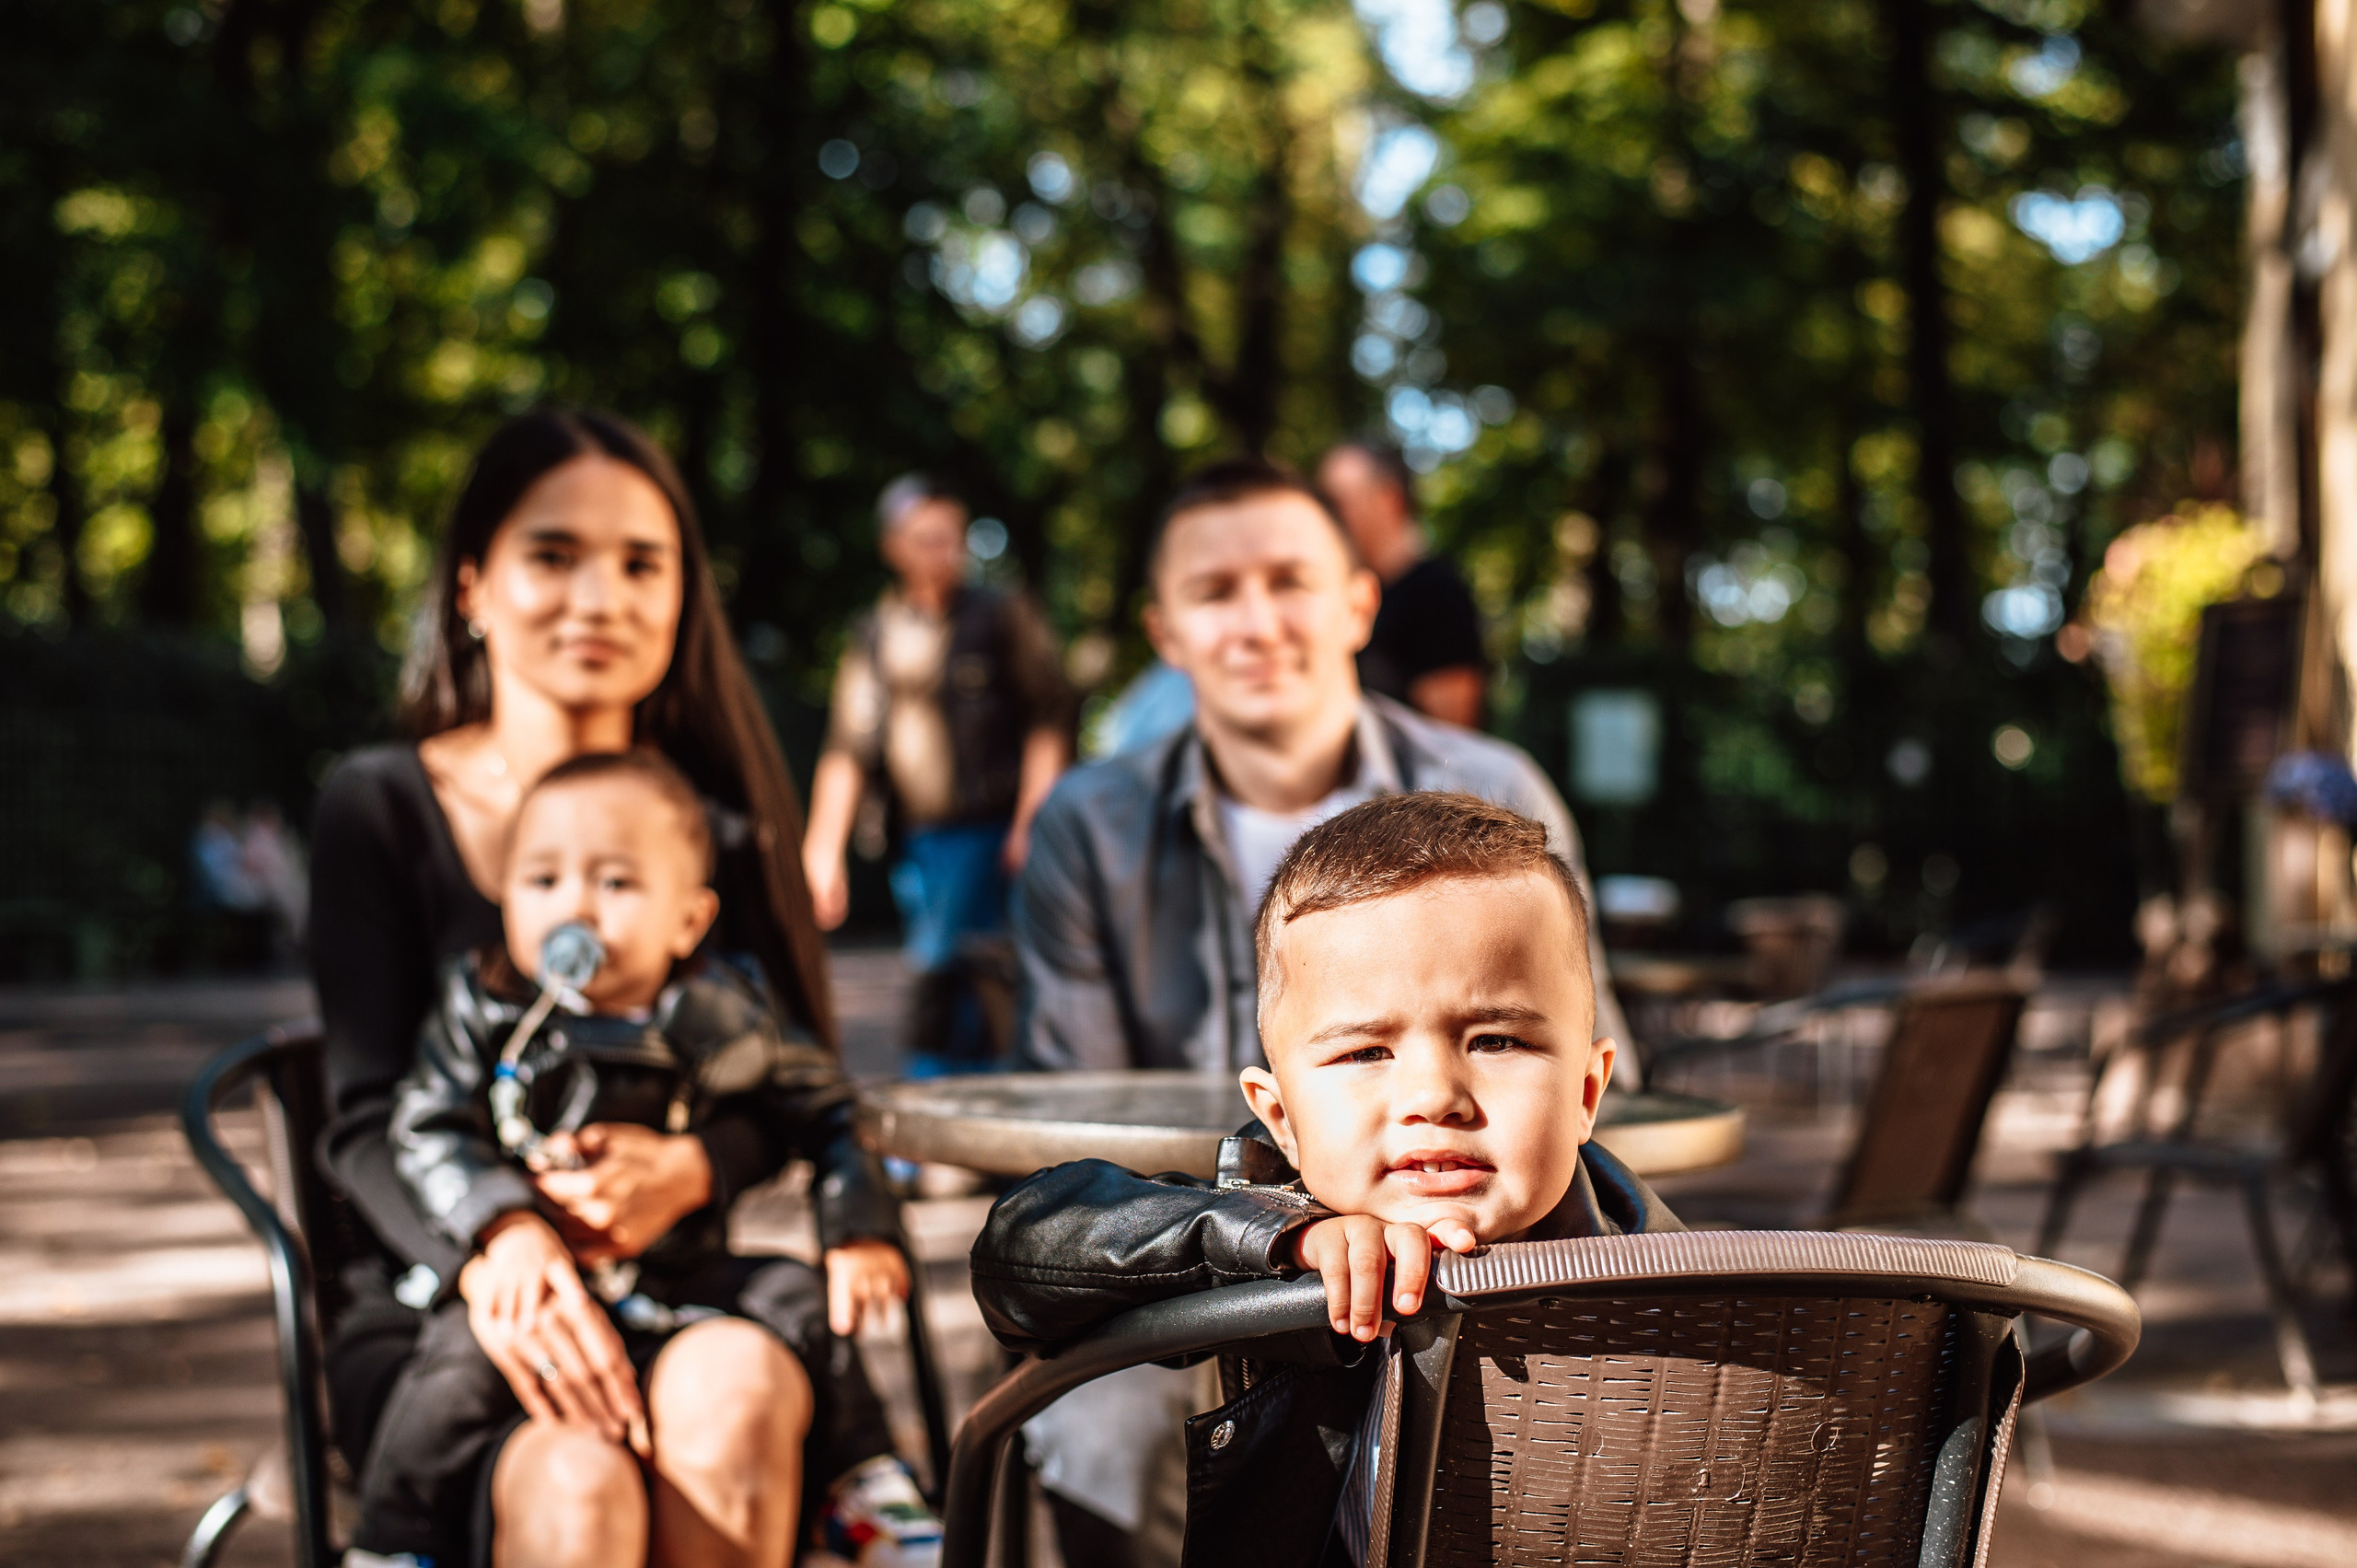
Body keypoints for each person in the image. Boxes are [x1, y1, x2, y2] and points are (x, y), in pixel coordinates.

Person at [309, 409, 928, 1568]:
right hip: (445, 1299)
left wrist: (698, 1166)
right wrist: (501, 1244)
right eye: (553, 555)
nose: (600, 596)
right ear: (473, 587)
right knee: (574, 1482)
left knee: (737, 1392)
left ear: (684, 598)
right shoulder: (378, 805)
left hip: (688, 1281)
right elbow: (362, 1122)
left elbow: (785, 1086)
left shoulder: (719, 827)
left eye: (642, 563)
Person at [1007, 457, 1628, 1567]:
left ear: (1356, 599)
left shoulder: (1497, 788)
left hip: (1491, 1240)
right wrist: (1281, 1217)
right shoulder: (1088, 822)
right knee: (1105, 1416)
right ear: (1167, 629)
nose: (1256, 621)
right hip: (1212, 1239)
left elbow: (1569, 1027)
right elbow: (1075, 1109)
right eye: (1215, 591)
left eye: (1288, 579)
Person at [976, 792, 1679, 1567]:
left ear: (1586, 1091)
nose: (1433, 1096)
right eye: (1366, 1053)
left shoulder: (1681, 1295)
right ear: (1282, 1119)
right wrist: (1278, 1248)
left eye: (1496, 1039)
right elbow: (1020, 1249)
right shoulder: (1275, 1216)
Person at [352, 750, 932, 1568]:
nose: (574, 910)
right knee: (452, 1369)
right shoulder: (482, 1008)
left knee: (797, 1298)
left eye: (615, 885)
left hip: (678, 1274)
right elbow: (424, 1125)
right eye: (542, 881)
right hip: (540, 1281)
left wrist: (857, 1225)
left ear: (690, 920)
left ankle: (867, 1484)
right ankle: (392, 1541)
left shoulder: (718, 1012)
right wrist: (502, 1219)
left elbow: (827, 1105)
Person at [803, 474, 1073, 1073]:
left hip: (990, 830)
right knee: (953, 967)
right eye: (925, 538)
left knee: (951, 965)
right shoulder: (875, 633)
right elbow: (848, 745)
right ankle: (959, 1093)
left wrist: (1033, 820)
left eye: (951, 537)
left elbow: (1048, 717)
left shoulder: (1001, 614)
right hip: (916, 839)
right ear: (892, 545)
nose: (941, 551)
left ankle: (936, 1091)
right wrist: (823, 848)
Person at [1317, 440, 1487, 727]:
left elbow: (1450, 740)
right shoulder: (1342, 593)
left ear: (1389, 498)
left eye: (1339, 502)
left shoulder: (1437, 594)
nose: (1328, 520)